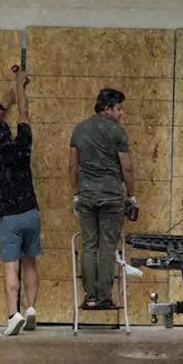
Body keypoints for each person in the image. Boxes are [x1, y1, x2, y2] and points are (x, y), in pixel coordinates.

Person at [0, 65, 41, 336]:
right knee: (30, 262)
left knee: (10, 266)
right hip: (31, 213)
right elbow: (25, 114)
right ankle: (31, 309)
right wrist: (19, 87)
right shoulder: (22, 147)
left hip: (9, 216)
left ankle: (12, 314)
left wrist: (5, 103)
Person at [69, 88, 138, 311]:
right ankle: (104, 297)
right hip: (111, 197)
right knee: (107, 245)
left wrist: (76, 194)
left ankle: (90, 296)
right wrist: (132, 195)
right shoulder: (117, 133)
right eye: (119, 108)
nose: (122, 113)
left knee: (89, 245)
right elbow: (126, 168)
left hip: (87, 195)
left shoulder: (79, 130)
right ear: (107, 109)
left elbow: (73, 166)